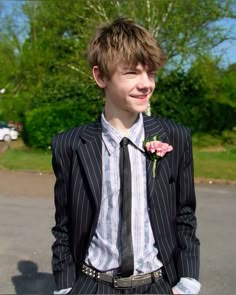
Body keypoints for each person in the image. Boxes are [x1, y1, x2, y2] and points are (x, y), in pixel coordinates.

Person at [51, 17, 201, 294]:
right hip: (93, 285)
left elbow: (185, 214)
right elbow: (64, 224)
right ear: (100, 77)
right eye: (132, 73)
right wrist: (64, 288)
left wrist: (188, 282)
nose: (146, 84)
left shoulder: (175, 137)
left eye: (151, 73)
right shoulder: (69, 144)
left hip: (157, 285)